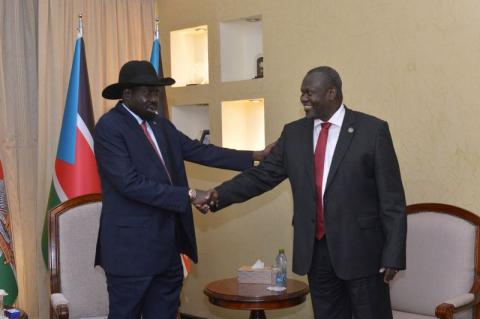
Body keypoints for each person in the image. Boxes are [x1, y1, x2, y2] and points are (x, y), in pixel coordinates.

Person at [198, 66, 407, 319]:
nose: (303, 98)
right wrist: (218, 195)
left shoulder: (372, 131)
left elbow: (392, 199)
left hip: (362, 253)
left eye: (310, 92)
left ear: (332, 93)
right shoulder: (294, 134)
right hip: (316, 253)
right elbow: (261, 176)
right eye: (302, 92)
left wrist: (393, 254)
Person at [93, 60, 272, 319]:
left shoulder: (161, 125)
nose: (154, 99)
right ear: (127, 94)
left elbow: (199, 150)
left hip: (167, 248)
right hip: (130, 253)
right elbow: (129, 183)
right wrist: (188, 194)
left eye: (156, 92)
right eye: (147, 92)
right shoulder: (109, 128)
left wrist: (254, 155)